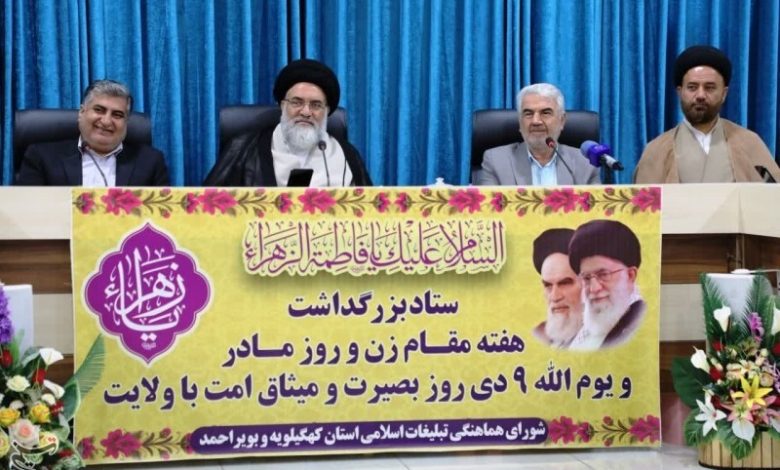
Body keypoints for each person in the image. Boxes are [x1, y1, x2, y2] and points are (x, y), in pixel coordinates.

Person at [204, 59, 372, 187]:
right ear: (282, 105)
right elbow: (207, 208)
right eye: (296, 102)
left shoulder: (346, 155)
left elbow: (370, 212)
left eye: (316, 105)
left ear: (327, 111)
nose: (306, 112)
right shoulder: (242, 149)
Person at [635, 45, 780, 183]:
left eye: (709, 88)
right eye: (692, 87)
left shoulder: (750, 143)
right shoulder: (655, 151)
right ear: (680, 92)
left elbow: (772, 195)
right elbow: (642, 200)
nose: (700, 95)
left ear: (724, 93)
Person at [16, 79, 169, 186]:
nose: (106, 121)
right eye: (99, 110)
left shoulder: (150, 162)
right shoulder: (42, 157)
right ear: (81, 112)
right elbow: (29, 212)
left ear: (126, 122)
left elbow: (164, 217)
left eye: (117, 115)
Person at [477, 83, 600, 186]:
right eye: (528, 113)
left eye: (545, 113)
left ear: (562, 120)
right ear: (520, 122)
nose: (536, 121)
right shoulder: (496, 160)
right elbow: (488, 207)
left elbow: (596, 207)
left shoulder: (585, 163)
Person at [567, 220, 646, 350]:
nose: (594, 288)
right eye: (586, 278)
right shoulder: (580, 331)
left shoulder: (640, 325)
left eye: (603, 274)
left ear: (630, 275)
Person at [531, 228, 584, 349]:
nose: (555, 297)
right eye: (548, 285)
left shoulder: (611, 337)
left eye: (565, 283)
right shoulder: (539, 336)